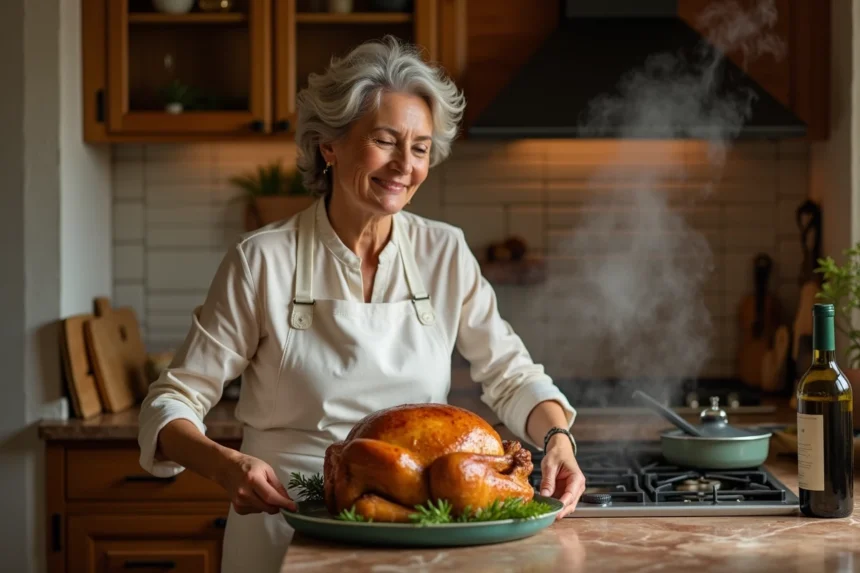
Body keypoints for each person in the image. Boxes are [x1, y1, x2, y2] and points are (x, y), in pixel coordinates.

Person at [138, 36, 584, 573]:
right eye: (384, 140)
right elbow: (173, 401)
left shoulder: (443, 251)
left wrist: (557, 438)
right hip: (284, 526)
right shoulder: (262, 261)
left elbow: (511, 375)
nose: (404, 165)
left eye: (420, 148)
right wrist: (228, 465)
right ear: (329, 144)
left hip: (415, 529)